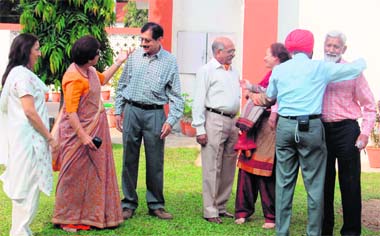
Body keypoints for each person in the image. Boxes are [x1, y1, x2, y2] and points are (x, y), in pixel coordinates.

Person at [252, 29, 366, 235]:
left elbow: (270, 96)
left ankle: (282, 231)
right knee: (314, 186)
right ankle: (313, 233)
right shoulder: (320, 68)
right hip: (311, 128)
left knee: (284, 183)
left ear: (289, 48)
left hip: (286, 127)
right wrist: (361, 61)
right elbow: (354, 70)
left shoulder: (280, 70)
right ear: (311, 48)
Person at [52, 35, 130, 232]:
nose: (98, 55)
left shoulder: (90, 71)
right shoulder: (74, 78)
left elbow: (102, 79)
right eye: (97, 53)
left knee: (93, 176)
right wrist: (84, 137)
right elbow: (70, 113)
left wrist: (119, 62)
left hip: (95, 130)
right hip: (77, 136)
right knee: (72, 177)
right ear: (89, 57)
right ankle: (67, 218)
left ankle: (90, 215)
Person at [114, 22, 184, 220]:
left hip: (155, 114)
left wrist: (170, 121)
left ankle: (156, 204)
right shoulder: (134, 57)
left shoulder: (170, 61)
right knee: (129, 159)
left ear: (159, 40)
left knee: (155, 161)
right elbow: (122, 85)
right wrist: (118, 111)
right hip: (132, 111)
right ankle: (128, 203)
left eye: (147, 40)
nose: (143, 44)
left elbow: (176, 95)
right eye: (141, 39)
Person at [0, 33, 59, 236]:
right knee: (27, 185)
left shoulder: (16, 74)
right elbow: (29, 111)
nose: (39, 53)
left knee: (25, 184)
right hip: (29, 140)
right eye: (36, 49)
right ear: (26, 51)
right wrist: (50, 137)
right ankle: (19, 231)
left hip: (21, 139)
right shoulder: (22, 77)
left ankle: (21, 230)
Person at [321, 30, 376, 236]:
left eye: (336, 46)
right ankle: (324, 230)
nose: (331, 49)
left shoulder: (353, 71)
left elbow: (370, 105)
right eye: (328, 45)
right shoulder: (317, 70)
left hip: (347, 130)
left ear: (343, 49)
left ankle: (351, 232)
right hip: (322, 130)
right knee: (323, 183)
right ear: (323, 46)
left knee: (350, 183)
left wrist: (364, 133)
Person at [234, 43, 290, 228]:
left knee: (265, 170)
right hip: (257, 125)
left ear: (277, 57)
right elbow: (263, 90)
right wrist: (251, 88)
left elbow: (270, 97)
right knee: (246, 167)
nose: (264, 58)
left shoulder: (285, 73)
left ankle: (270, 216)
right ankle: (242, 211)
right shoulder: (272, 73)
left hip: (270, 127)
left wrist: (252, 95)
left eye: (267, 55)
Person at [192, 37, 240, 224]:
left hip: (232, 120)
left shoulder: (233, 71)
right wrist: (199, 128)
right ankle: (210, 210)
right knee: (212, 166)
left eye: (233, 51)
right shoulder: (206, 71)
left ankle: (221, 206)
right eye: (230, 51)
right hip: (214, 118)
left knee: (229, 165)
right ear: (218, 52)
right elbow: (198, 99)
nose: (233, 54)